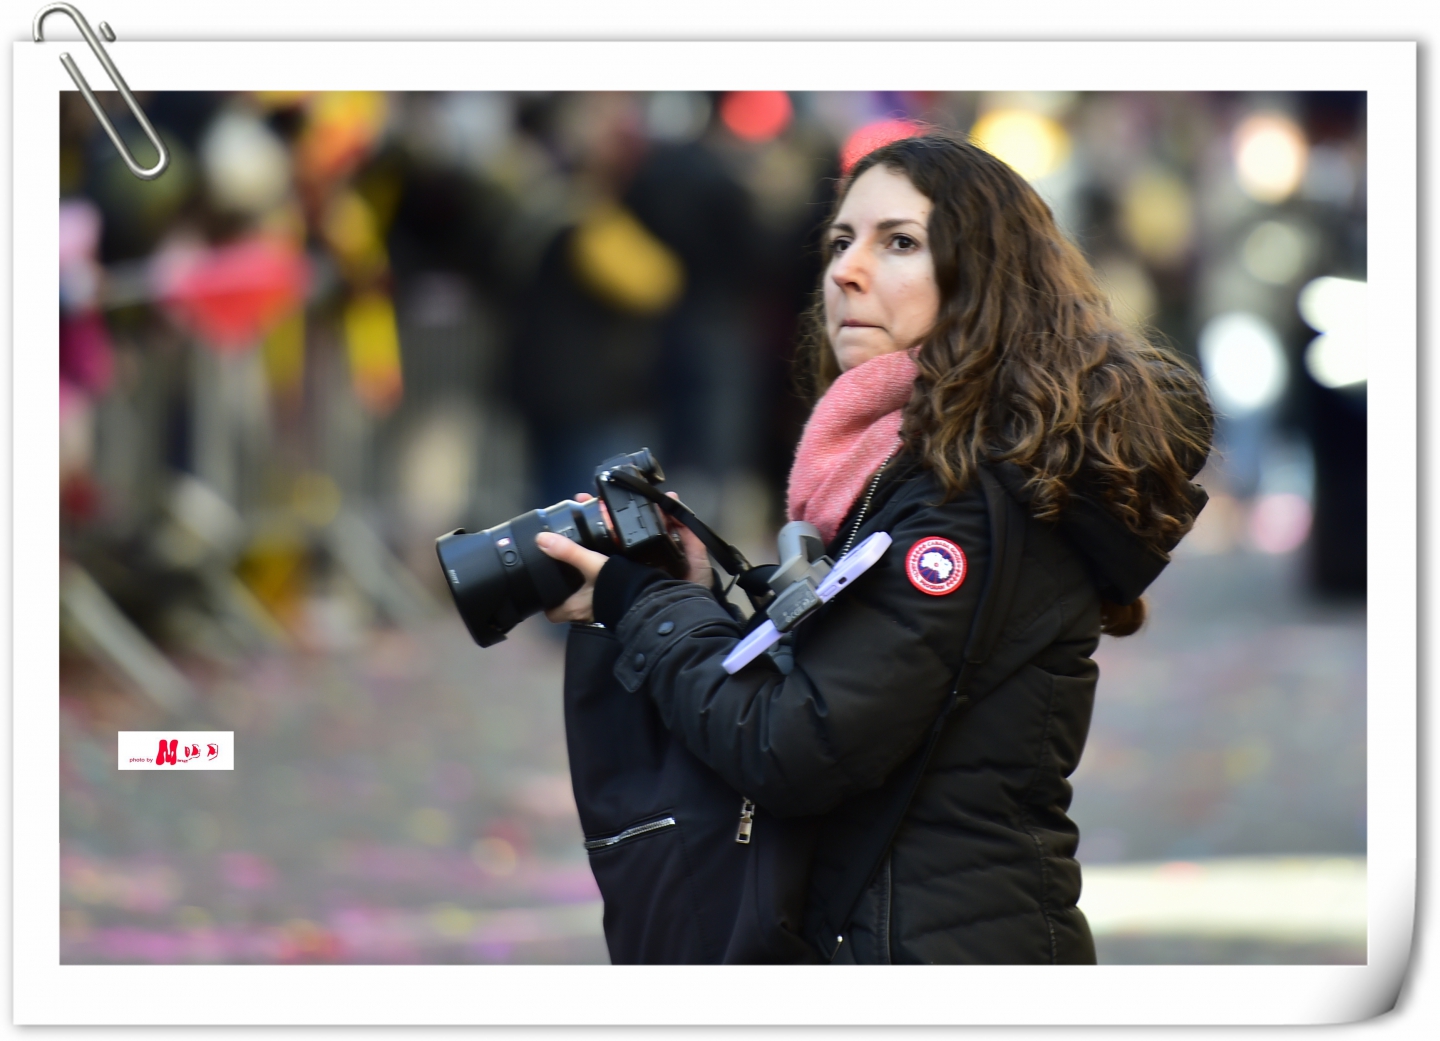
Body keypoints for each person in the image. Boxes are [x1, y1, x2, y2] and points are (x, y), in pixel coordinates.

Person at [535, 131, 1213, 964]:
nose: (846, 271)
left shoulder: (969, 499)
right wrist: (696, 589)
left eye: (898, 243)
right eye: (839, 242)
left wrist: (643, 605)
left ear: (985, 278)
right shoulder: (908, 467)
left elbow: (794, 744)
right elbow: (846, 685)